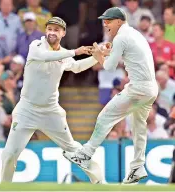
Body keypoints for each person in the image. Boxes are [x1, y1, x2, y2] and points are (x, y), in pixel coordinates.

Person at [1, 16, 103, 184]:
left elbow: (76, 67)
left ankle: (99, 182)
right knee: (10, 154)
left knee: (72, 149)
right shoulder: (36, 46)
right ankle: (4, 188)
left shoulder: (62, 54)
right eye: (49, 29)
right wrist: (75, 52)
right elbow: (46, 56)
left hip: (50, 112)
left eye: (56, 30)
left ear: (63, 33)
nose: (52, 32)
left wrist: (96, 58)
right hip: (27, 109)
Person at [63, 7, 159, 184]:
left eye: (108, 20)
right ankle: (137, 167)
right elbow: (123, 55)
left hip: (138, 88)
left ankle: (85, 154)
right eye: (104, 21)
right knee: (138, 127)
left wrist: (99, 55)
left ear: (120, 21)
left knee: (105, 117)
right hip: (151, 89)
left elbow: (108, 67)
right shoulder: (134, 34)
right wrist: (105, 52)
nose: (105, 24)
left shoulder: (122, 37)